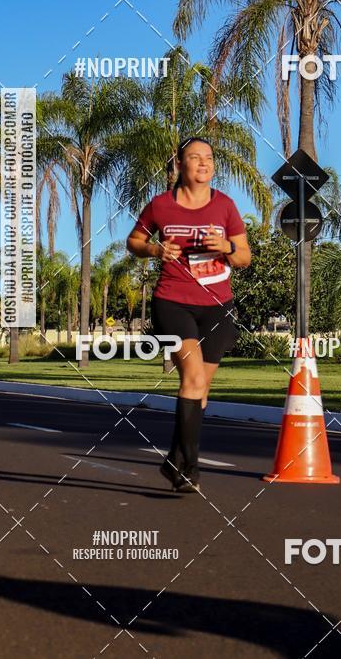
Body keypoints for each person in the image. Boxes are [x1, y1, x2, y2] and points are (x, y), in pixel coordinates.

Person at [127, 137, 251, 493]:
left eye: (209, 158)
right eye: (195, 157)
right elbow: (133, 242)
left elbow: (244, 256)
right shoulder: (161, 206)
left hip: (218, 304)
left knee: (202, 390)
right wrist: (155, 248)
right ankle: (190, 469)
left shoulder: (225, 206)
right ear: (179, 164)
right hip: (173, 301)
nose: (203, 163)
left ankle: (172, 460)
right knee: (193, 378)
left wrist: (226, 247)